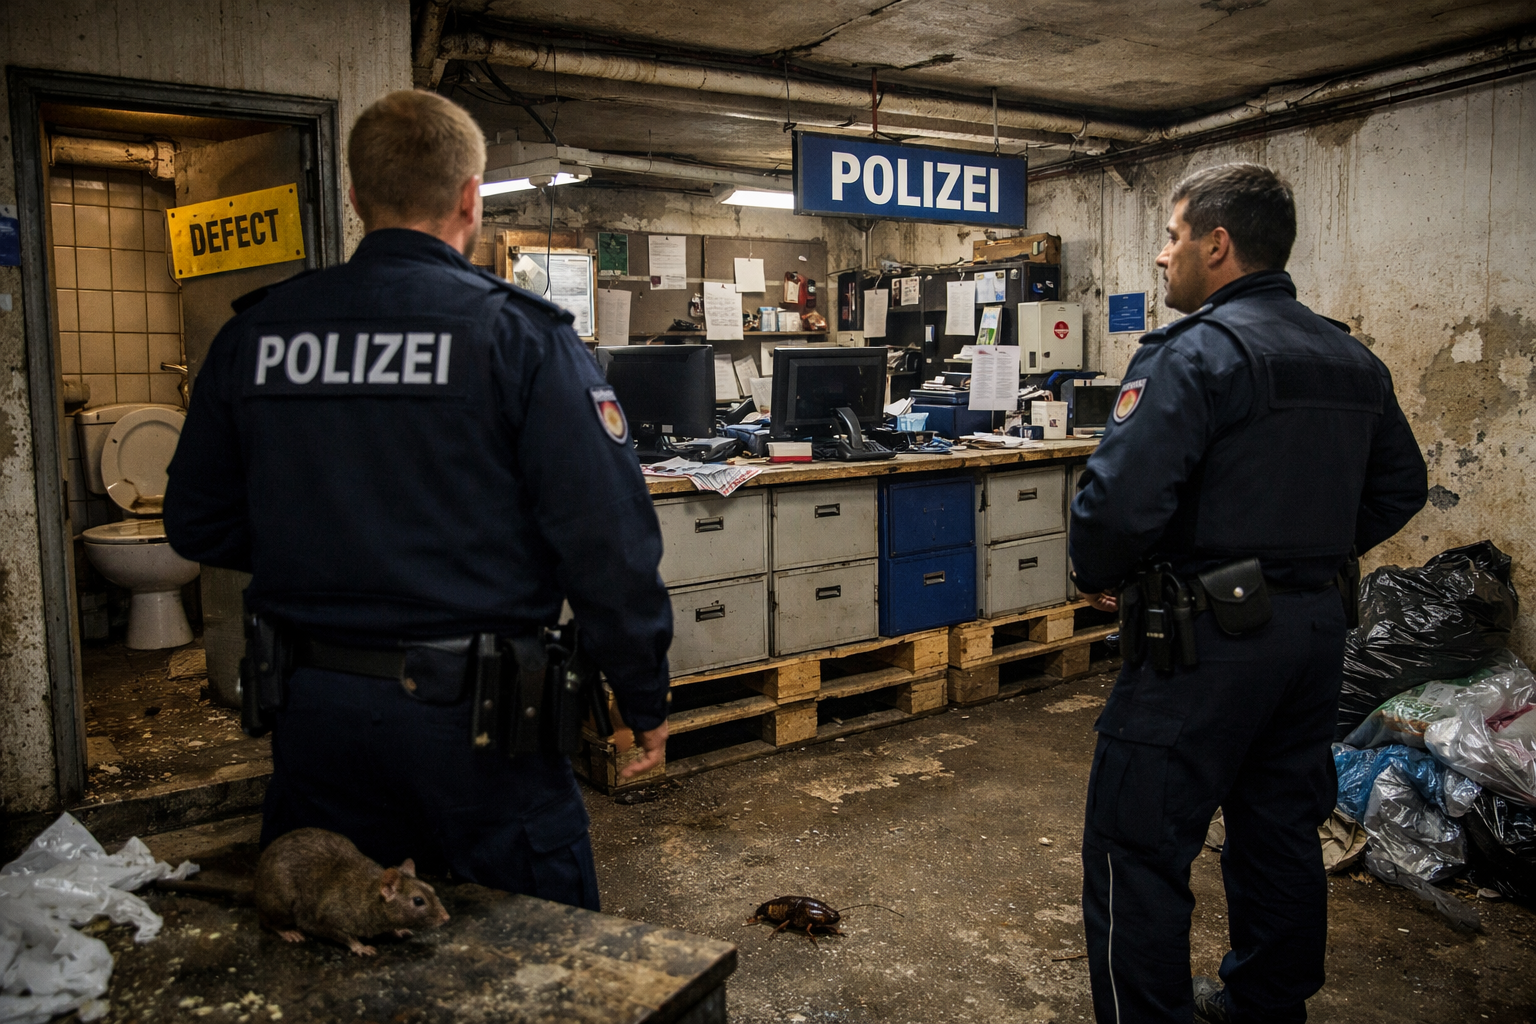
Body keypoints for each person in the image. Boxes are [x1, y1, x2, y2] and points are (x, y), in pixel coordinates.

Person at [163, 90, 672, 911]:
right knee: (533, 948)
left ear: (356, 196)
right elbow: (608, 542)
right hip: (481, 723)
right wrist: (640, 694)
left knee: (338, 937)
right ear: (471, 197)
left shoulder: (257, 334)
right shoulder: (520, 336)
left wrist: (327, 543)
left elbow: (195, 521)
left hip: (315, 715)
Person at [1068, 163, 1427, 1023]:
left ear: (1218, 244)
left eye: (1173, 236)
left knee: (1136, 843)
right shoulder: (1350, 357)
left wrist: (1113, 576)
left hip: (1201, 640)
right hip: (1313, 635)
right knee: (1279, 832)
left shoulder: (1194, 353)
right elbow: (1401, 487)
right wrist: (1304, 557)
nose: (1164, 256)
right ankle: (1265, 1007)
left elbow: (1115, 511)